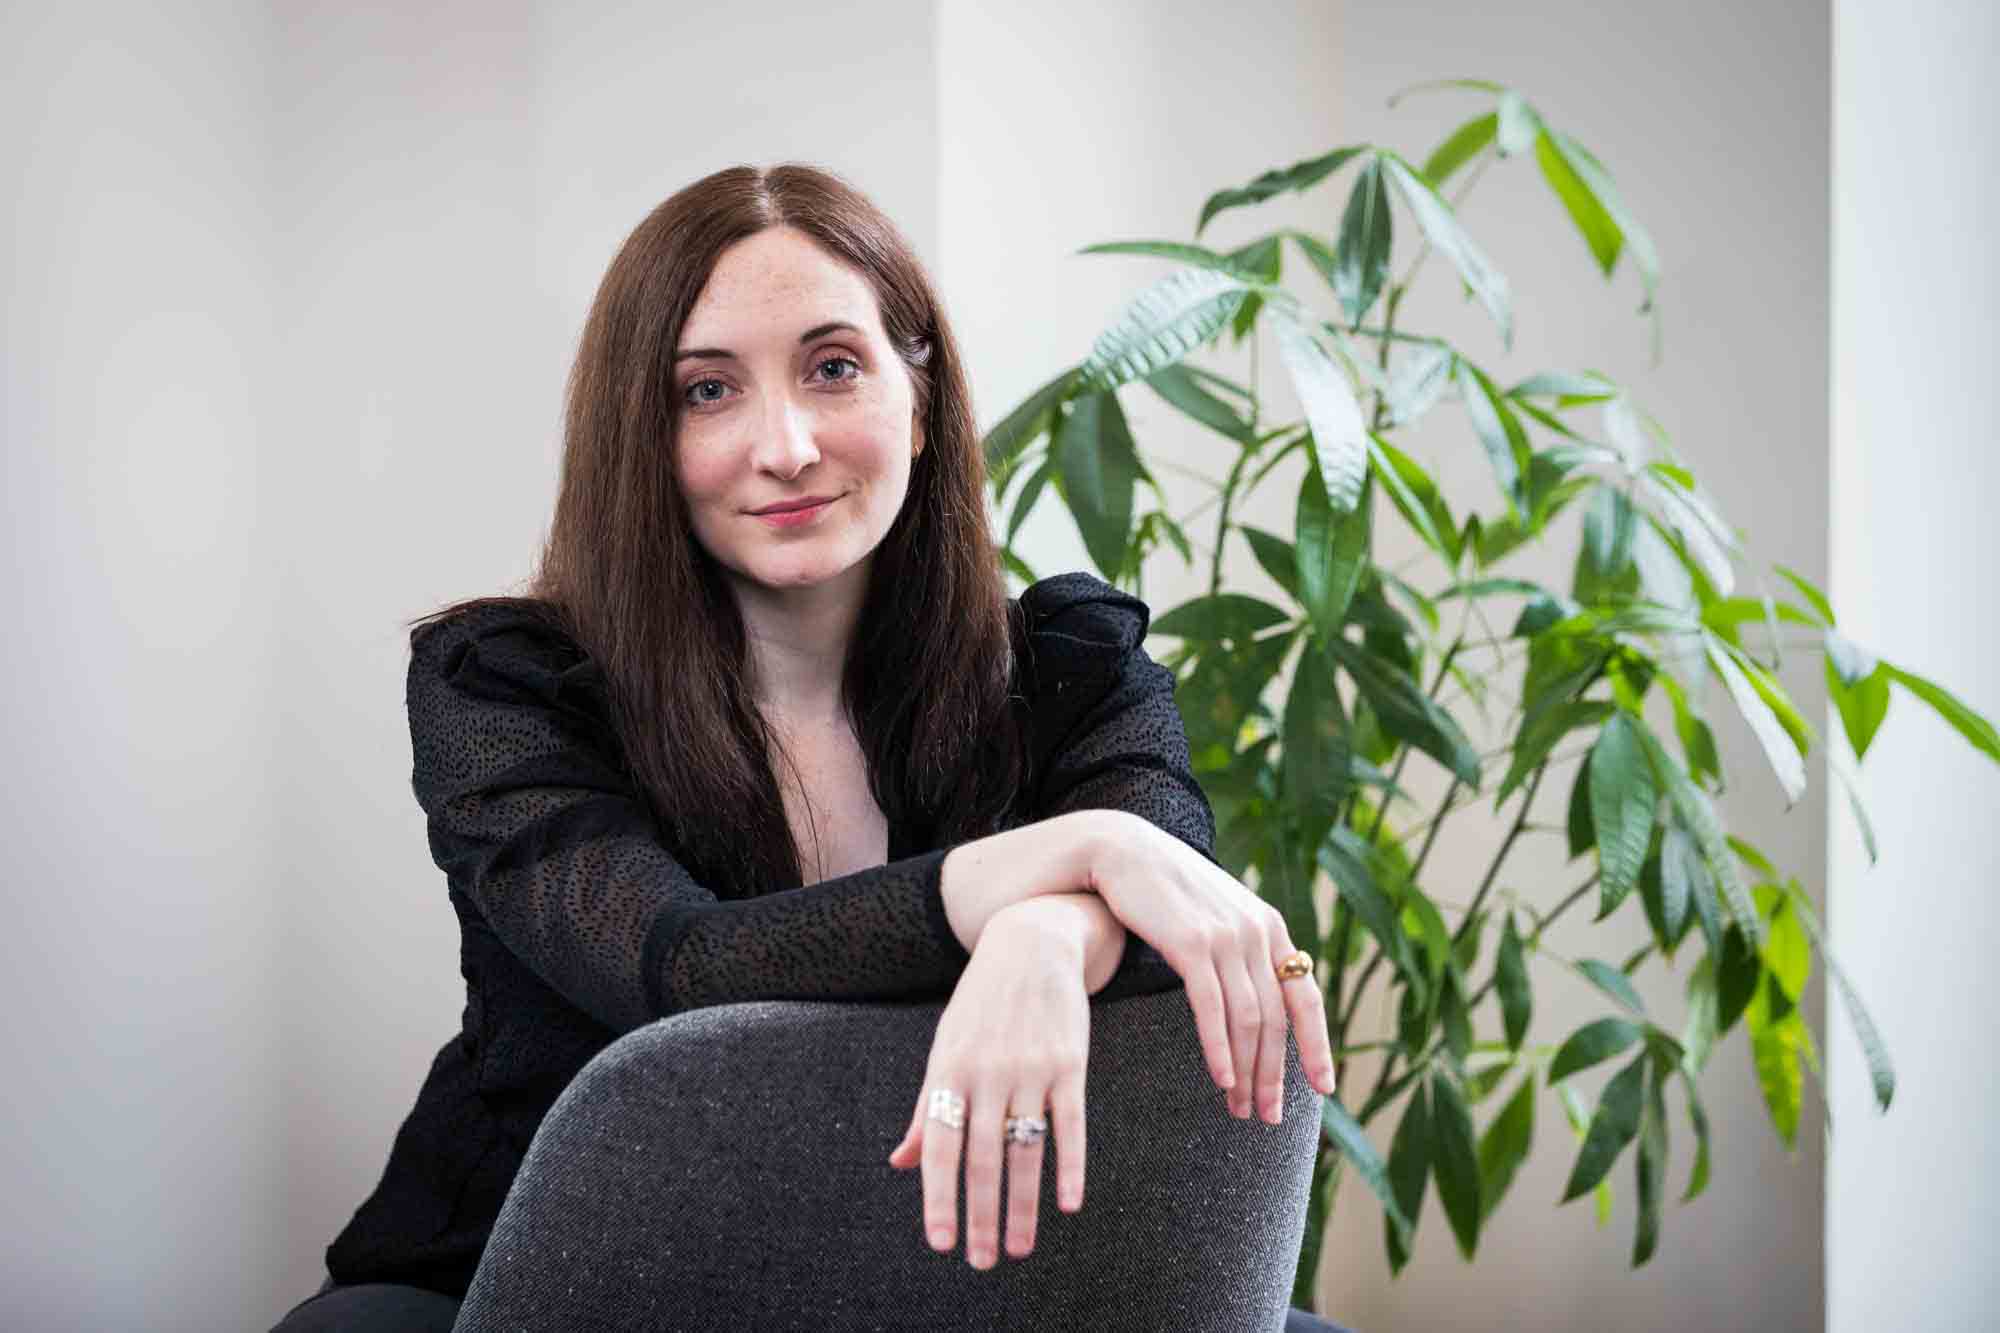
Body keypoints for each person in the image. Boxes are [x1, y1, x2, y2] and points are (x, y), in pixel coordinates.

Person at [270, 162, 1345, 1332]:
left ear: (919, 397)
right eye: (706, 391)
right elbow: (676, 969)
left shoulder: (1073, 663)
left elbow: (1170, 897)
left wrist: (1048, 925)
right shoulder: (506, 687)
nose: (782, 447)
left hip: (953, 1287)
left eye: (833, 368)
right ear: (639, 431)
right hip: (533, 1284)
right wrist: (1046, 862)